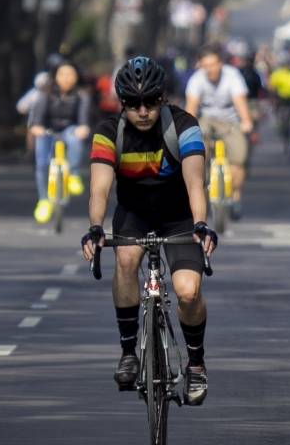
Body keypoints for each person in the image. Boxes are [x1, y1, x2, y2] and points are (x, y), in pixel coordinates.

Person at [82, 56, 216, 406]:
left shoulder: (184, 125)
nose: (142, 111)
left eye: (151, 102)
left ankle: (196, 363)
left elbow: (195, 183)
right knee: (126, 260)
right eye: (133, 103)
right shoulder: (108, 131)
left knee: (188, 291)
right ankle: (129, 352)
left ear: (163, 98)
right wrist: (95, 227)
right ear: (122, 103)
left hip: (179, 216)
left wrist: (201, 224)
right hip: (134, 214)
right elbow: (99, 189)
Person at [185, 46, 254, 219]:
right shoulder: (196, 79)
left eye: (213, 65)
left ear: (221, 63)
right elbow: (191, 108)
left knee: (238, 157)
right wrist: (187, 131)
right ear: (201, 65)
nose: (210, 69)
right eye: (206, 66)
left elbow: (240, 102)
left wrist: (246, 121)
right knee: (197, 155)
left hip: (230, 121)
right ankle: (203, 192)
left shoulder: (232, 76)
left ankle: (235, 196)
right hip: (206, 120)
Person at [29, 61, 91, 223]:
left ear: (77, 77)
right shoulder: (45, 93)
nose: (66, 78)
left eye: (70, 75)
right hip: (48, 130)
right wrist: (37, 127)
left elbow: (83, 119)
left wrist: (83, 128)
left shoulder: (82, 95)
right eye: (62, 74)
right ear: (55, 76)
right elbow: (37, 118)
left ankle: (74, 175)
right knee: (42, 163)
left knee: (75, 138)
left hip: (70, 129)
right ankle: (43, 200)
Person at [267, 56, 290, 151]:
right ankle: (283, 132)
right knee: (281, 121)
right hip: (280, 100)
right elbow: (271, 85)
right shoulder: (278, 74)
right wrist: (273, 94)